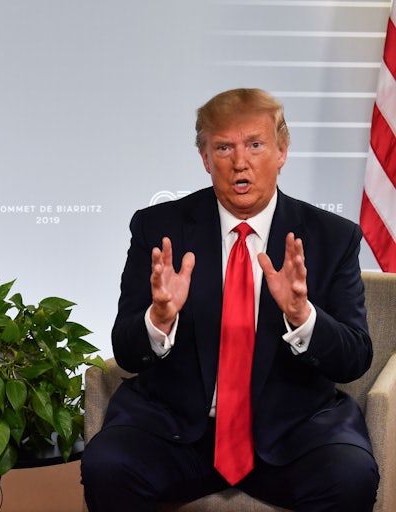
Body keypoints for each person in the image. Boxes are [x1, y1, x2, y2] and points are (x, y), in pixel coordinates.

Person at [81, 88, 379, 511]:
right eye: (224, 147)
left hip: (293, 432)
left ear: (282, 151)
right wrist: (159, 319)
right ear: (205, 159)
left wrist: (303, 316)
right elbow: (127, 352)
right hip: (177, 430)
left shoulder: (332, 236)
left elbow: (355, 357)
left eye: (255, 145)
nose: (240, 162)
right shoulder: (159, 229)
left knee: (349, 476)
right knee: (108, 466)